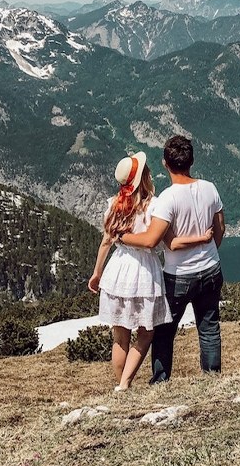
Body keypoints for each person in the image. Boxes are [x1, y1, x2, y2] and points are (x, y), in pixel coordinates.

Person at [88, 150, 213, 390]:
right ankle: (125, 384)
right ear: (143, 178)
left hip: (117, 271)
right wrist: (201, 239)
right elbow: (170, 242)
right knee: (146, 333)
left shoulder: (113, 205)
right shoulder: (153, 206)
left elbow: (105, 242)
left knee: (120, 337)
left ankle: (122, 387)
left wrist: (97, 273)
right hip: (144, 272)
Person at [113, 135, 225, 380]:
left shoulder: (167, 198)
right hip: (211, 269)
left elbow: (150, 240)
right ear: (192, 161)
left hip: (179, 277)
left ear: (165, 164)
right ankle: (212, 379)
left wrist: (121, 236)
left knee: (164, 332)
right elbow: (220, 229)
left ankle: (161, 381)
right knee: (209, 328)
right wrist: (207, 252)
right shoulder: (210, 188)